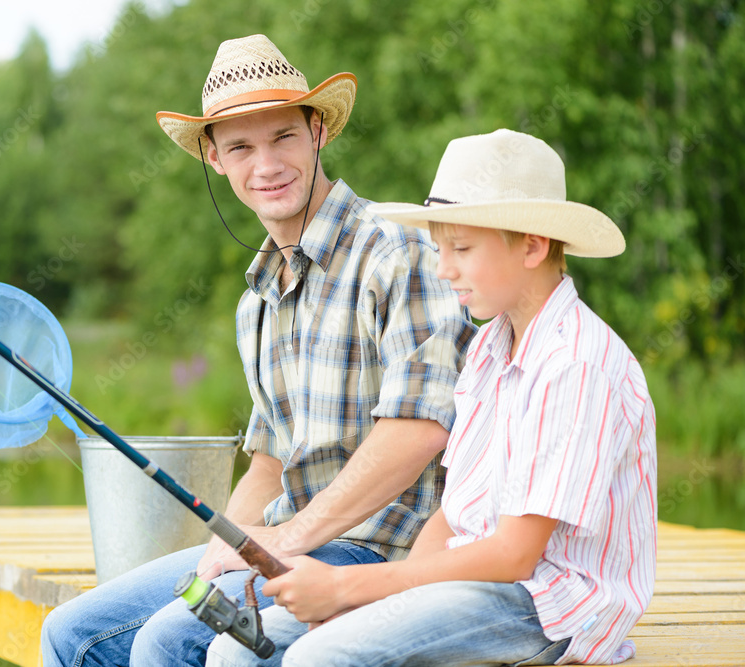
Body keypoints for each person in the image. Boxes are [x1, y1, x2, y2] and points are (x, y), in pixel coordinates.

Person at [41, 34, 474, 667]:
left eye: (283, 138)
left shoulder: (397, 250)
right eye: (241, 146)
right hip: (285, 544)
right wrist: (229, 545)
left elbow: (419, 432)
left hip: (383, 553)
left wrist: (290, 537)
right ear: (214, 159)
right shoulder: (258, 299)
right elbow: (270, 463)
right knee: (71, 632)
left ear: (318, 132)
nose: (265, 165)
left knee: (169, 641)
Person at [207, 129, 658, 666]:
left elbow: (515, 555)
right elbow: (451, 515)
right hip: (471, 578)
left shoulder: (574, 363)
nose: (443, 269)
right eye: (441, 249)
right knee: (237, 652)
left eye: (462, 249)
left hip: (547, 603)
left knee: (320, 658)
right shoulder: (491, 346)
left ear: (534, 245)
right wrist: (388, 596)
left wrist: (350, 589)